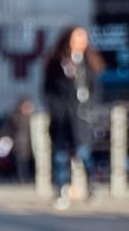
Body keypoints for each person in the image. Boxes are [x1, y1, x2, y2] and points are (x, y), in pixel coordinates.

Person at [39, 27, 100, 208]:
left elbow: (95, 88)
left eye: (83, 39)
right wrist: (56, 108)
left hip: (81, 118)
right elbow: (48, 89)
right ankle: (62, 189)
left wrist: (90, 107)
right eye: (76, 38)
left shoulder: (88, 63)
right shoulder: (57, 63)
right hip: (62, 118)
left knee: (83, 152)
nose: (80, 42)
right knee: (60, 155)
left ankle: (91, 185)